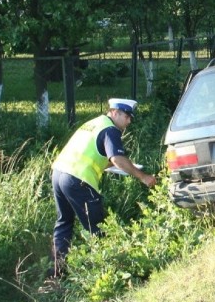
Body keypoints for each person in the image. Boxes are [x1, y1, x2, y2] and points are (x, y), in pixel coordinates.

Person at [49, 98, 157, 278]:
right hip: (78, 180)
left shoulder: (93, 123)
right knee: (98, 227)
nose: (129, 121)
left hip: (59, 173)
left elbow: (95, 155)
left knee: (64, 223)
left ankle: (57, 273)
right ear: (115, 112)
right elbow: (117, 159)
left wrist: (113, 165)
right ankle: (106, 273)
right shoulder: (110, 130)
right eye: (127, 116)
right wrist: (143, 177)